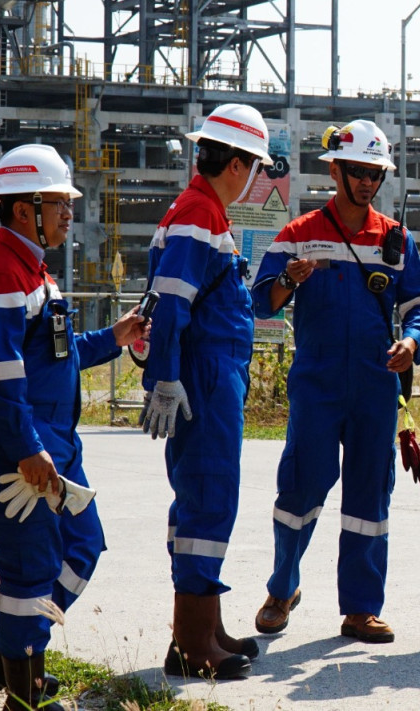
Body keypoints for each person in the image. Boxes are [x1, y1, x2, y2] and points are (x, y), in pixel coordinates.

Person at [0, 144, 148, 711]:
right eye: (60, 203)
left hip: (54, 449)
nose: (70, 212)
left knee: (83, 545)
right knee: (28, 568)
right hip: (22, 455)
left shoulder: (33, 270)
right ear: (25, 209)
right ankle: (24, 697)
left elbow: (53, 357)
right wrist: (26, 452)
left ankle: (11, 655)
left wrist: (114, 338)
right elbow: (0, 379)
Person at [250, 119, 420, 644]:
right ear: (335, 170)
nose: (366, 181)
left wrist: (413, 342)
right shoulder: (300, 233)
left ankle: (360, 609)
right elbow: (260, 300)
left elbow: (419, 306)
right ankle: (282, 588)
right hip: (318, 381)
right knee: (301, 486)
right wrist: (290, 278)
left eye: (375, 173)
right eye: (357, 171)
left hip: (377, 385)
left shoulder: (396, 239)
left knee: (369, 497)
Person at [140, 103, 271, 679]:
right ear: (238, 164)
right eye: (256, 168)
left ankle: (202, 629)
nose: (255, 179)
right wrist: (166, 377)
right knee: (208, 498)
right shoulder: (200, 213)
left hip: (210, 370)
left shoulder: (199, 210)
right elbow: (171, 304)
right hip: (205, 373)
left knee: (203, 497)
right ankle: (195, 648)